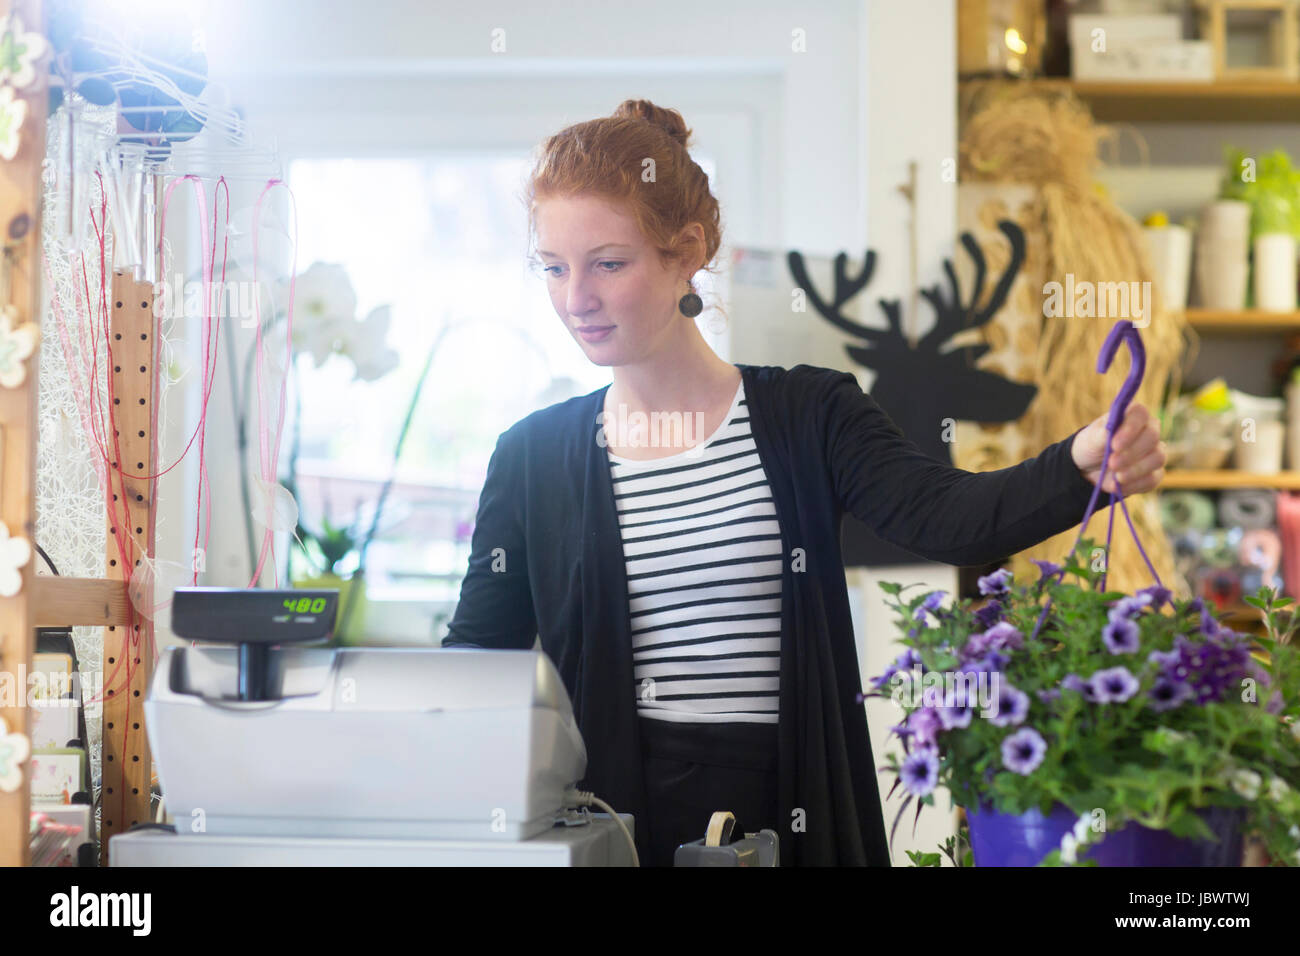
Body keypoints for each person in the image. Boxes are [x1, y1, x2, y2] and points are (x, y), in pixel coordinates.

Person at [442, 99, 1167, 867]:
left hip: (789, 821)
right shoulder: (529, 458)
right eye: (553, 267)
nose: (574, 298)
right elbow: (475, 667)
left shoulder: (808, 414)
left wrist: (1080, 461)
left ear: (684, 252)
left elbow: (954, 519)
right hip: (607, 832)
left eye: (607, 263)